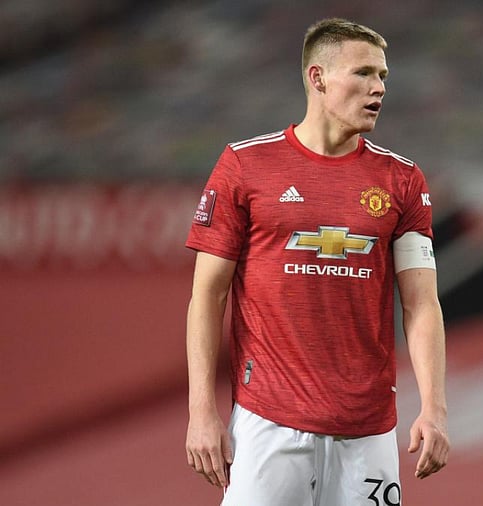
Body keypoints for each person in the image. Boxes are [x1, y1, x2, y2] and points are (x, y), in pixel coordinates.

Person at [184, 17, 449, 505]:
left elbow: (422, 304)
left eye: (383, 76)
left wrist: (434, 408)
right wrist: (202, 410)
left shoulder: (403, 180)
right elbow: (207, 294)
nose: (378, 88)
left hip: (368, 431)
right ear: (318, 77)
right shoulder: (245, 166)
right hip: (268, 424)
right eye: (364, 73)